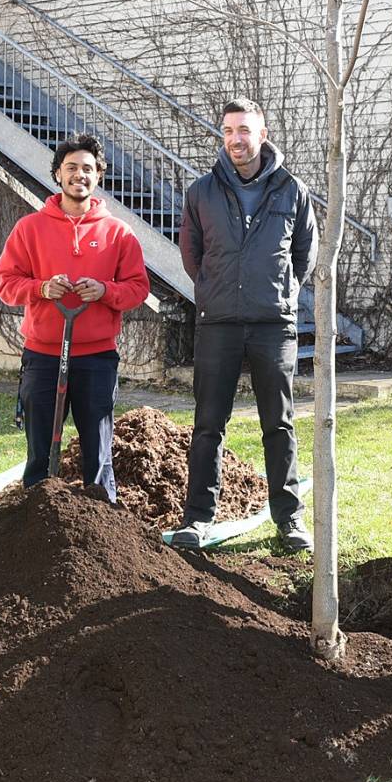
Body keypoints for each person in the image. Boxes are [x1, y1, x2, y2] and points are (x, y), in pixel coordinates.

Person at [168, 98, 318, 553]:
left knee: (280, 424)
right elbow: (193, 257)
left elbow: (304, 256)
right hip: (219, 325)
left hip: (274, 324)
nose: (236, 139)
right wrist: (218, 291)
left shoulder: (292, 189)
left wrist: (278, 293)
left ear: (262, 134)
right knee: (208, 424)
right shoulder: (201, 192)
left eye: (245, 130)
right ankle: (197, 520)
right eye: (229, 130)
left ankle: (289, 520)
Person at [0, 134, 150, 497]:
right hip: (44, 356)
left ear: (98, 177)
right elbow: (5, 281)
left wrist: (106, 292)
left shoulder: (118, 233)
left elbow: (138, 288)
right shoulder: (30, 228)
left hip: (96, 357)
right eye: (72, 168)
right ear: (58, 175)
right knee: (41, 450)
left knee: (98, 449)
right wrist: (42, 288)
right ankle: (35, 514)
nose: (80, 175)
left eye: (88, 169)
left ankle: (103, 517)